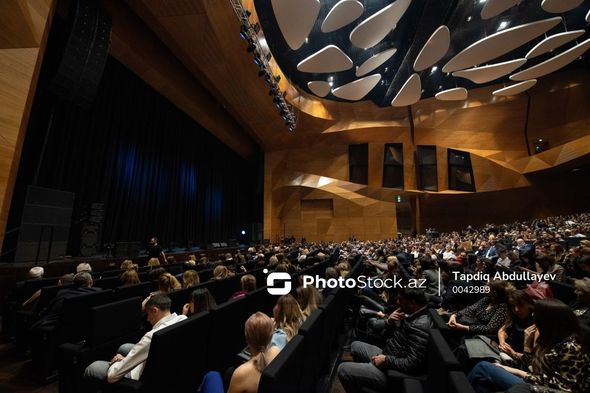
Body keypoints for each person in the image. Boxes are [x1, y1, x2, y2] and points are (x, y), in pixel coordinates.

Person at [468, 299, 590, 393]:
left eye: (536, 314)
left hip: (543, 388)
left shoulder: (572, 346)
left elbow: (563, 387)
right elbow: (531, 365)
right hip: (537, 382)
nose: (532, 316)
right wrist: (527, 345)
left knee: (483, 367)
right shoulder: (552, 337)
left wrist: (517, 372)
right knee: (484, 379)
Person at [337, 288, 432, 393]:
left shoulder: (420, 325)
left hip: (391, 372)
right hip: (388, 354)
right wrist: (390, 321)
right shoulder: (411, 314)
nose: (397, 302)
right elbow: (389, 336)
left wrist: (385, 360)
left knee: (343, 369)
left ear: (412, 303)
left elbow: (413, 364)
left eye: (400, 300)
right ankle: (365, 375)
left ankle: (368, 374)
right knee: (355, 345)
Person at [82, 294, 186, 390]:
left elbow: (112, 376)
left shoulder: (151, 336)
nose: (148, 319)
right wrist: (126, 359)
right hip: (163, 370)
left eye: (148, 313)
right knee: (124, 347)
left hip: (141, 375)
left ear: (155, 310)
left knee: (93, 367)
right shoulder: (182, 319)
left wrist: (117, 362)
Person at [226, 312, 281, 393]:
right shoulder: (276, 351)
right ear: (271, 336)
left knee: (213, 375)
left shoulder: (241, 373)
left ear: (247, 339)